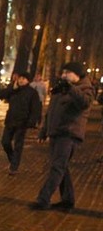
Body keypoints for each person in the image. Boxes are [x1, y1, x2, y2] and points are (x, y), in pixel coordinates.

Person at [32, 62, 94, 211]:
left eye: (68, 72)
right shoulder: (61, 88)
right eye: (63, 72)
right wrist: (44, 130)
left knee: (57, 167)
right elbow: (51, 111)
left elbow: (84, 103)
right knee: (62, 167)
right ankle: (68, 200)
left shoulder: (85, 89)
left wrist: (71, 89)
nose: (64, 75)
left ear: (77, 75)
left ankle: (43, 198)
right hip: (56, 132)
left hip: (69, 133)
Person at [0, 71, 41, 175]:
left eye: (24, 78)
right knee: (5, 142)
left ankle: (14, 167)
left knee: (18, 144)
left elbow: (35, 108)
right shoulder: (13, 90)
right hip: (10, 120)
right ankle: (13, 159)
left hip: (22, 122)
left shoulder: (32, 93)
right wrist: (12, 88)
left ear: (28, 80)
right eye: (20, 78)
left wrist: (32, 120)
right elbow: (1, 95)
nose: (21, 80)